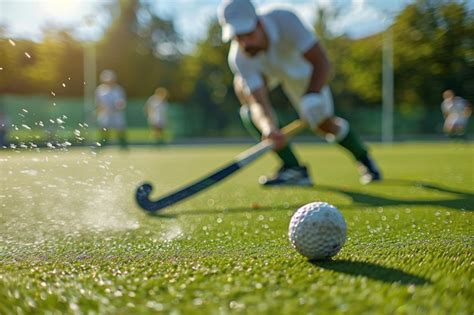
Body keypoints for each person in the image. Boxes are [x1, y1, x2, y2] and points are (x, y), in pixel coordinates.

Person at [217, 0, 382, 186]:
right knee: (242, 88)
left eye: (248, 34)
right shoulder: (239, 57)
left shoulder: (285, 20)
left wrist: (312, 95)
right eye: (238, 37)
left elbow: (321, 62)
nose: (245, 42)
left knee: (323, 125)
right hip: (268, 74)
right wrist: (268, 128)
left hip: (301, 72)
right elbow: (258, 103)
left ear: (260, 23)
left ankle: (364, 158)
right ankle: (294, 169)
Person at [95, 70, 128, 148]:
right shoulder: (100, 90)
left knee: (120, 129)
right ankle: (102, 145)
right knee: (104, 129)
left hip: (117, 113)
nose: (109, 82)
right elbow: (98, 103)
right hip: (105, 113)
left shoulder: (118, 89)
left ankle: (123, 146)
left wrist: (118, 106)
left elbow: (122, 102)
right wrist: (102, 108)